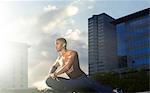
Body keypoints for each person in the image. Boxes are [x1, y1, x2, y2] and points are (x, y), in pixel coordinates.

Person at [45, 38, 113, 93]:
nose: (55, 46)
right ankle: (69, 90)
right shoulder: (59, 59)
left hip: (81, 79)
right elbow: (54, 67)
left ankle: (113, 91)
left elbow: (67, 67)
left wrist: (56, 74)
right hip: (72, 81)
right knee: (49, 81)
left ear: (63, 44)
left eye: (57, 44)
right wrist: (50, 73)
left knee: (100, 88)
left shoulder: (72, 53)